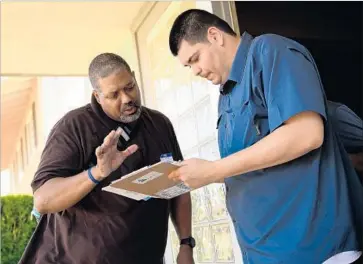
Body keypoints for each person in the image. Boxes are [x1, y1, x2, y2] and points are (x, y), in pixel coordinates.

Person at [168, 9, 363, 264]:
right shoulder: (225, 97)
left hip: (312, 249)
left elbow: (306, 133)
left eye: (195, 58)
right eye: (188, 66)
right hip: (264, 253)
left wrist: (214, 170)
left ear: (214, 36)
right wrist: (200, 173)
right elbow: (254, 165)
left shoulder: (271, 51)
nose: (194, 71)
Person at [20, 53, 195, 264]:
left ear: (134, 76)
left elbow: (179, 184)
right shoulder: (74, 127)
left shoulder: (159, 124)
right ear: (97, 96)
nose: (127, 98)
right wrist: (97, 173)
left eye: (130, 86)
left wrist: (186, 244)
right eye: (114, 95)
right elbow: (43, 200)